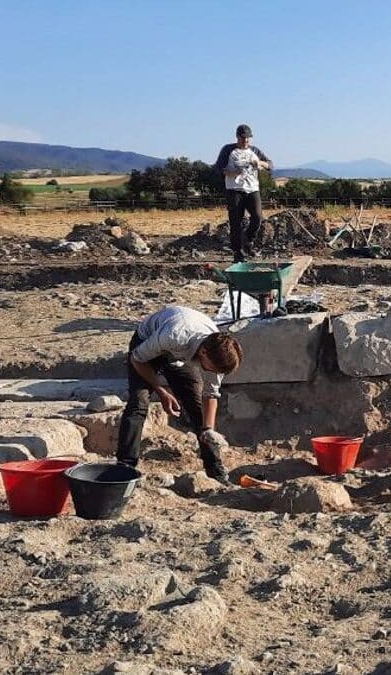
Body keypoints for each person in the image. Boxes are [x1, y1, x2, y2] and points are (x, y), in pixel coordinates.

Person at [117, 305, 244, 483]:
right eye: (211, 369)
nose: (211, 372)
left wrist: (208, 429)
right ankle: (125, 468)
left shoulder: (218, 354)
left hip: (179, 355)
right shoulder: (174, 336)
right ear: (203, 353)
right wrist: (161, 391)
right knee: (139, 403)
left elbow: (210, 394)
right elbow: (136, 359)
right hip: (147, 343)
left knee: (197, 408)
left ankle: (216, 470)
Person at [213, 124, 272, 262]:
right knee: (235, 222)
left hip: (252, 189)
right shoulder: (228, 150)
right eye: (243, 138)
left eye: (248, 138)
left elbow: (270, 164)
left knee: (257, 217)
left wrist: (260, 163)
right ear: (237, 137)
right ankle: (237, 252)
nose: (245, 141)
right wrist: (231, 172)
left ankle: (248, 241)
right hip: (234, 190)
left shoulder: (255, 150)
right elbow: (218, 168)